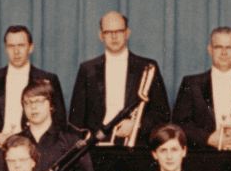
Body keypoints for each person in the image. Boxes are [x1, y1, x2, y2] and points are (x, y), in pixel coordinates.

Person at [67, 12, 170, 142]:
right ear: (101, 36)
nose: (114, 37)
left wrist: (136, 124)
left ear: (127, 33)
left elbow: (162, 115)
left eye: (119, 31)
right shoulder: (87, 69)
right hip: (97, 145)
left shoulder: (147, 67)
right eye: (108, 32)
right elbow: (76, 119)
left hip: (135, 143)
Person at [0, 25, 66, 149]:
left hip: (36, 149)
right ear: (5, 49)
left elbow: (59, 122)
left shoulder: (49, 79)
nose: (16, 52)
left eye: (21, 45)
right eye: (11, 46)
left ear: (30, 48)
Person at [0, 81, 93, 171]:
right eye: (27, 102)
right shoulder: (12, 142)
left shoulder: (71, 141)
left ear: (51, 105)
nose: (33, 107)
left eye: (39, 101)